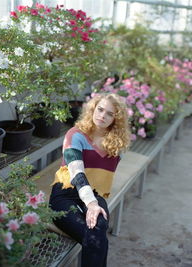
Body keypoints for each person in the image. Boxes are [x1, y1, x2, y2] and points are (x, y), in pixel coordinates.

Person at [49, 93, 131, 267]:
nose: (102, 116)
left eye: (110, 113)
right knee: (96, 239)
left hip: (94, 195)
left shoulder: (116, 144)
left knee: (99, 231)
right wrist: (92, 204)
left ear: (116, 119)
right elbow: (77, 174)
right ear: (93, 109)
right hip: (65, 195)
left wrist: (94, 203)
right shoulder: (75, 135)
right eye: (100, 109)